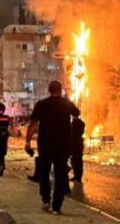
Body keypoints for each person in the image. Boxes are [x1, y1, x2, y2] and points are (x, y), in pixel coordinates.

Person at [25, 81, 80, 215]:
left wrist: (27, 142)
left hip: (45, 144)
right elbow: (77, 113)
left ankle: (45, 200)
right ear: (60, 90)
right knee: (60, 175)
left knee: (44, 172)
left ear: (48, 90)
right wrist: (67, 100)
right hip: (62, 145)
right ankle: (56, 206)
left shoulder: (41, 104)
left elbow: (32, 124)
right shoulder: (66, 104)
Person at [70, 109, 86, 185]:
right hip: (79, 143)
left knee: (75, 160)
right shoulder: (82, 123)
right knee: (78, 160)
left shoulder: (73, 123)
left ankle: (77, 177)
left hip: (74, 144)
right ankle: (78, 176)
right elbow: (82, 132)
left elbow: (71, 133)